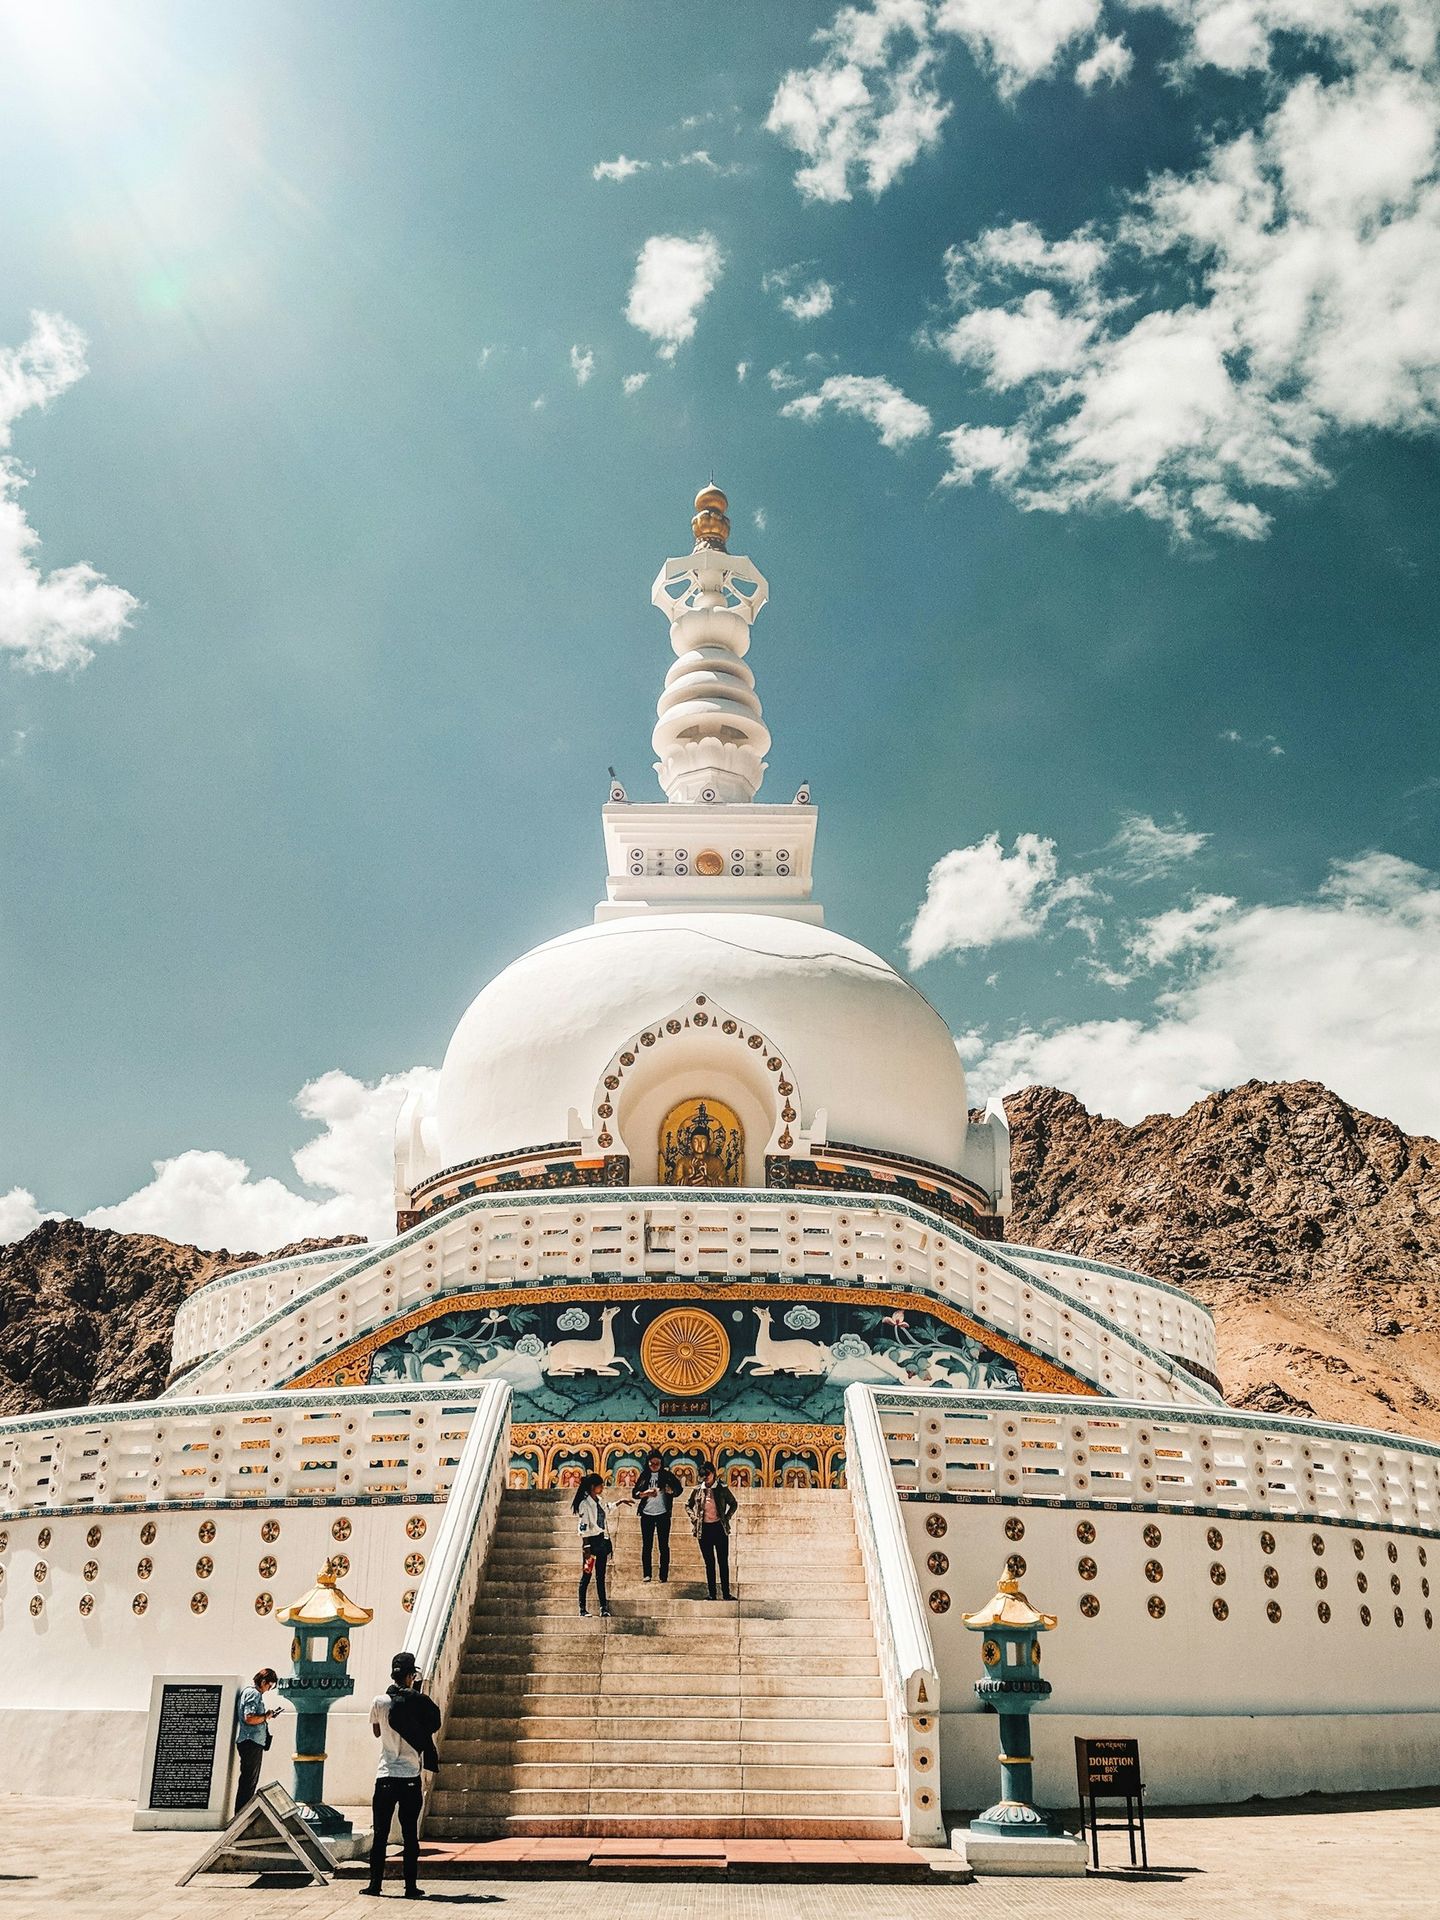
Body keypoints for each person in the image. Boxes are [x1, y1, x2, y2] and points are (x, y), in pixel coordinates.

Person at [363, 1651, 441, 1899]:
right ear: (411, 1676)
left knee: (381, 1834)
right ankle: (410, 1887)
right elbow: (430, 1726)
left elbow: (377, 1733)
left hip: (385, 1774)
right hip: (409, 1775)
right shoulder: (418, 1702)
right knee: (409, 1835)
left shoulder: (379, 1702)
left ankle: (375, 1885)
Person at [686, 1462, 737, 1600]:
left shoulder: (721, 1489)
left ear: (714, 1473)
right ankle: (712, 1593)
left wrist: (726, 1518)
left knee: (722, 1562)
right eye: (703, 1475)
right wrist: (694, 1518)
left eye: (707, 1474)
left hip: (719, 1528)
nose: (705, 1478)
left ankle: (726, 1593)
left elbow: (733, 1503)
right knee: (709, 1562)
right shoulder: (698, 1490)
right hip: (704, 1529)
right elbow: (688, 1505)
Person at [233, 1667, 280, 1813]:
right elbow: (250, 1717)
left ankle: (242, 1814)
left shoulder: (250, 1692)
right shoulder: (254, 1694)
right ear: (263, 1681)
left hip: (252, 1741)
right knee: (248, 1781)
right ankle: (242, 1815)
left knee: (249, 1780)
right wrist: (266, 1716)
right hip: (251, 1742)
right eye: (269, 1685)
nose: (268, 1689)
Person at [631, 1450, 682, 1584]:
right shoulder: (644, 1476)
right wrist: (645, 1493)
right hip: (647, 1513)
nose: (654, 1466)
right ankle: (647, 1573)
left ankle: (663, 1575)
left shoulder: (667, 1475)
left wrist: (672, 1491)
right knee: (647, 1545)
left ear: (661, 1463)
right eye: (652, 1463)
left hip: (663, 1513)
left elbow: (679, 1489)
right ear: (648, 1463)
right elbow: (635, 1493)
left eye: (657, 1463)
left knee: (663, 1545)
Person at [573, 1472, 614, 1618]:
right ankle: (582, 1608)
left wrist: (620, 1502)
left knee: (601, 1576)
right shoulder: (585, 1504)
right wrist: (586, 1546)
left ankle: (603, 1607)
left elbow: (606, 1509)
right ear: (592, 1487)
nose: (602, 1487)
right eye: (600, 1485)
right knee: (587, 1575)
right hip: (590, 1543)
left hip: (601, 1541)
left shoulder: (599, 1501)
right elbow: (583, 1525)